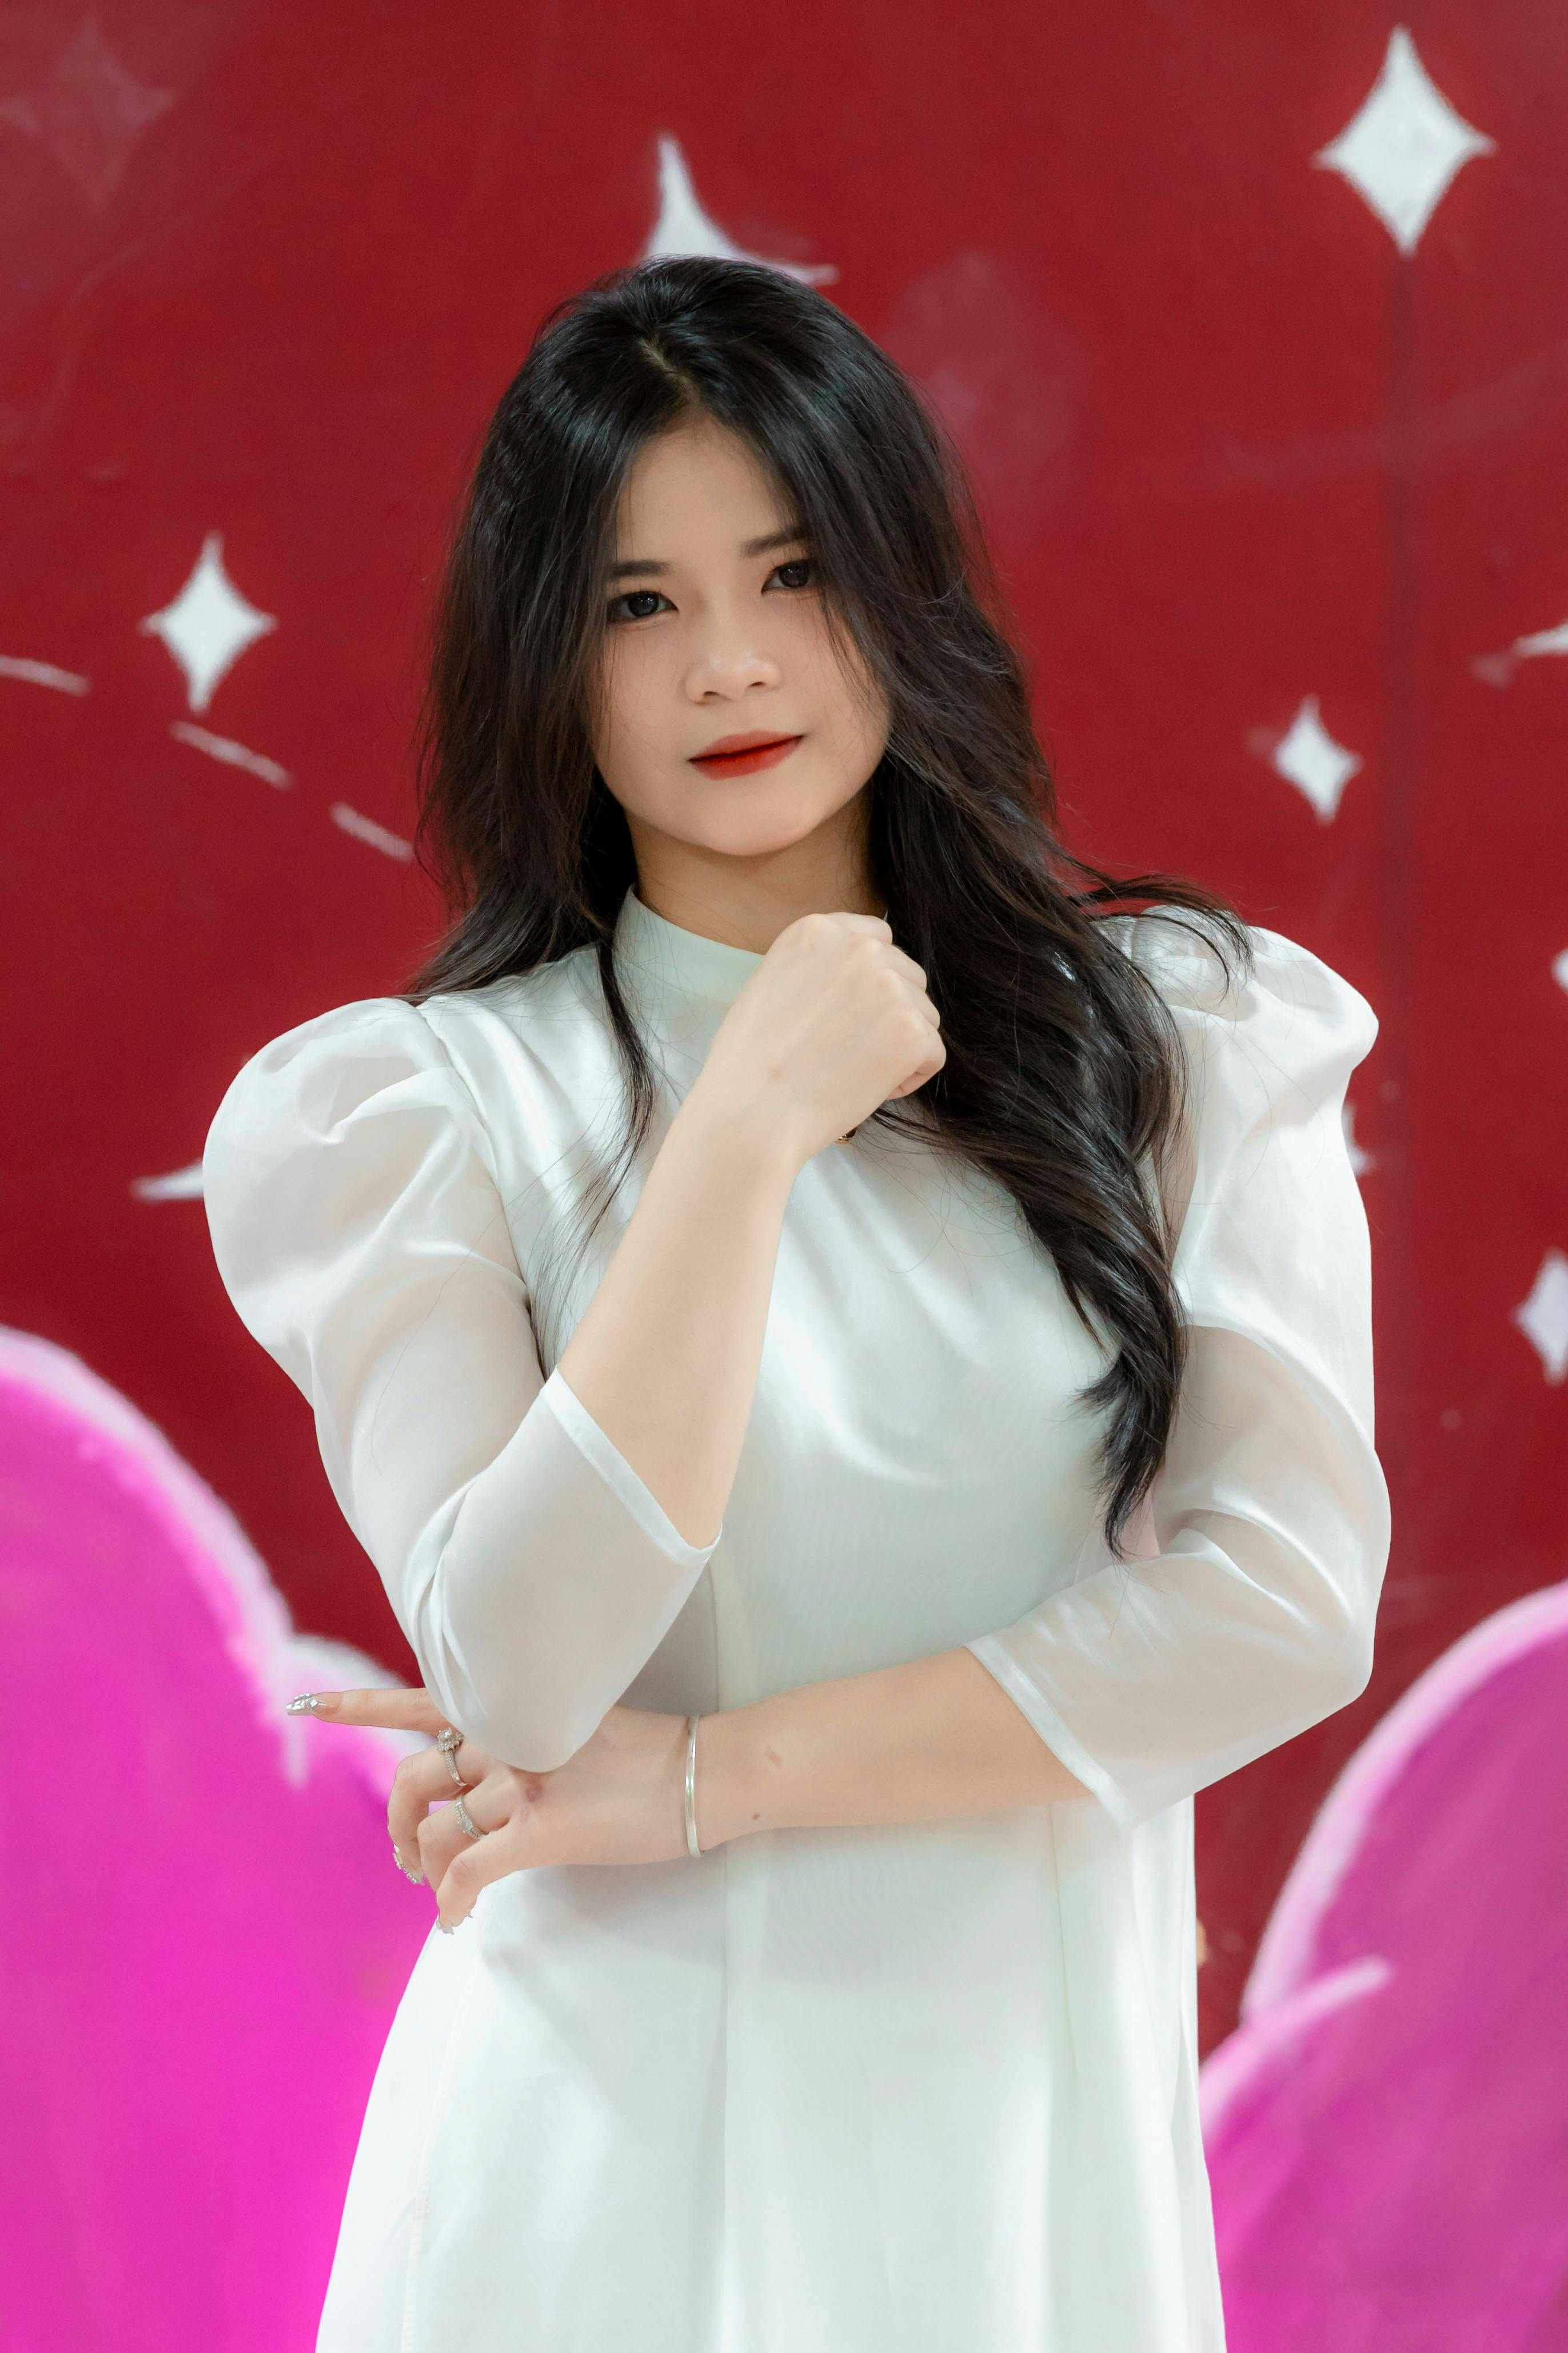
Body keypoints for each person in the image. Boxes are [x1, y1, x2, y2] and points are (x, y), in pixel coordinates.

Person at [201, 255, 1390, 2353]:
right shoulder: (418, 1111)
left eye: (790, 572)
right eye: (638, 604)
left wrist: (707, 1779)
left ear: (901, 591)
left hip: (1029, 2187)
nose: (728, 665)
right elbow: (527, 1665)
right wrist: (741, 1125)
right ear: (544, 665)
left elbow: (1279, 1603)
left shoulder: (1185, 1041)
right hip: (589, 2188)